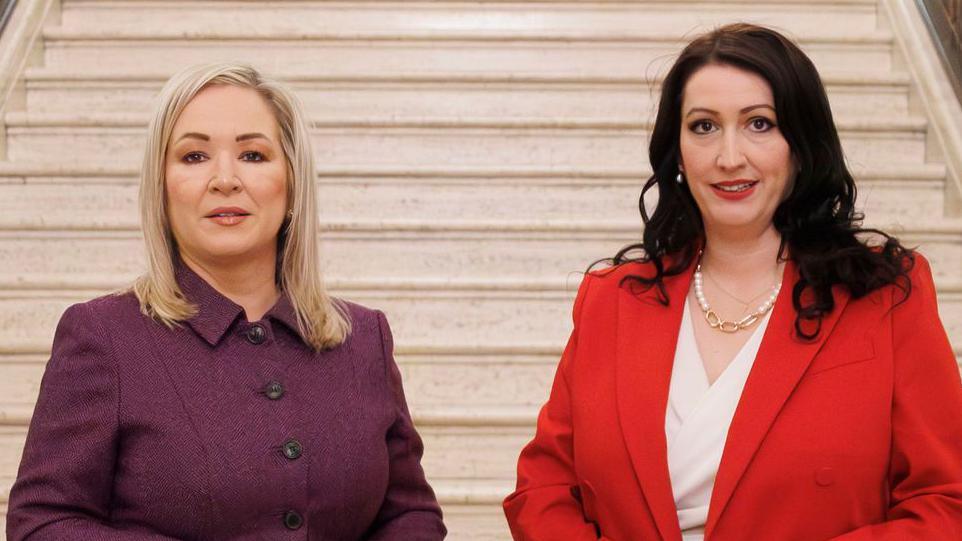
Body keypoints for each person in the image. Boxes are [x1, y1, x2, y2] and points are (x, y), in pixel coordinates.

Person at [503, 23, 962, 540]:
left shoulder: (882, 296)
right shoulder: (612, 301)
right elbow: (542, 489)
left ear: (801, 143)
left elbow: (946, 503)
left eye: (759, 124)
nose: (729, 157)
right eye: (703, 126)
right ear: (677, 151)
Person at [7, 63, 446, 540]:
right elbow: (43, 522)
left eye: (253, 155)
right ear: (162, 187)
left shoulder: (364, 338)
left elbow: (410, 515)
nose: (224, 179)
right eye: (194, 156)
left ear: (292, 181)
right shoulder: (103, 336)